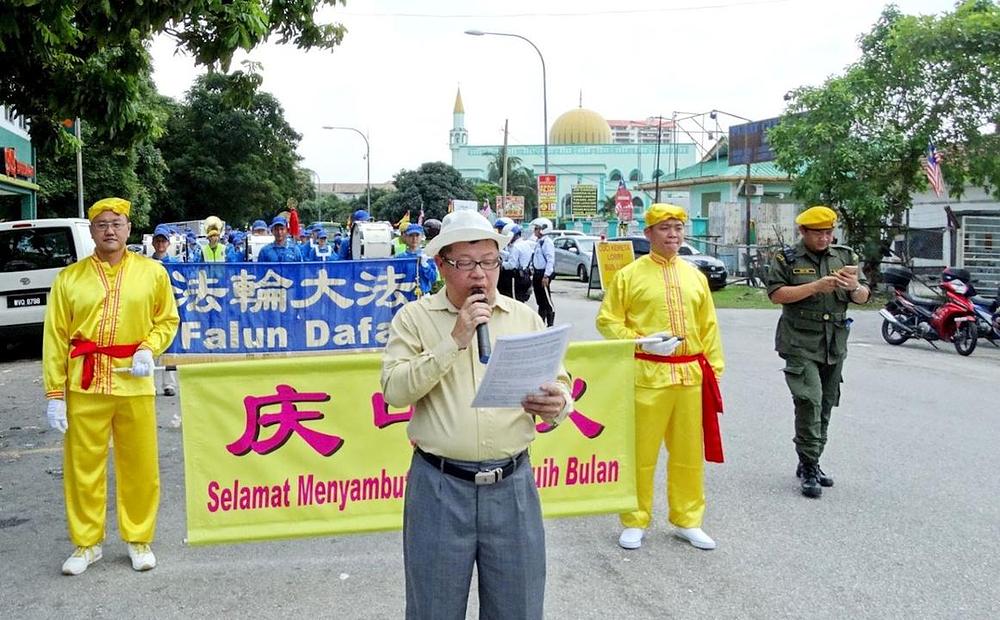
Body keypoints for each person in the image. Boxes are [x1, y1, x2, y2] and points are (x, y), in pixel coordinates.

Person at [381, 210, 573, 620]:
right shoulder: (414, 319)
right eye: (464, 264)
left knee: (518, 607)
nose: (479, 275)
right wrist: (455, 340)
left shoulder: (523, 317)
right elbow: (395, 390)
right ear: (441, 265)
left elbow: (560, 380)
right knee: (433, 608)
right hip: (439, 486)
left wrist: (558, 402)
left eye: (488, 262)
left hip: (513, 484)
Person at [42, 197, 180, 575]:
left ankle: (139, 538)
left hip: (133, 382)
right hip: (84, 384)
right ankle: (86, 544)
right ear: (91, 231)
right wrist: (55, 393)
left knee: (139, 465)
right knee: (82, 466)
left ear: (128, 229)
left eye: (116, 223)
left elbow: (168, 320)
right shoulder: (69, 278)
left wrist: (148, 349)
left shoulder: (152, 273)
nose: (109, 230)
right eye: (101, 224)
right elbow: (55, 337)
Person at [596, 203, 725, 552]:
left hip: (689, 376)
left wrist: (713, 367)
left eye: (678, 228)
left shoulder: (695, 276)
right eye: (665, 228)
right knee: (642, 451)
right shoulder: (629, 276)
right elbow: (608, 321)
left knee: (687, 452)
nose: (673, 234)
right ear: (649, 233)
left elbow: (709, 326)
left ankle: (688, 519)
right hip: (647, 373)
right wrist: (642, 342)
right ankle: (635, 518)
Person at [766, 205, 869, 498]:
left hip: (834, 342)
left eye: (828, 232)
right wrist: (815, 287)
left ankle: (811, 459)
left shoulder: (845, 256)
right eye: (818, 233)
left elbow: (863, 297)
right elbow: (776, 295)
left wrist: (855, 287)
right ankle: (810, 465)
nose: (824, 238)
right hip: (800, 340)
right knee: (808, 399)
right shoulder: (787, 258)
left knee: (825, 402)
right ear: (803, 232)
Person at [149, 225, 180, 397]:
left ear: (168, 243)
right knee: (151, 346)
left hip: (171, 309)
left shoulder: (175, 264)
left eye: (163, 240)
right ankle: (149, 383)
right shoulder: (146, 263)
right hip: (151, 310)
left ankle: (169, 384)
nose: (161, 244)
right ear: (153, 243)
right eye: (158, 240)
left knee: (170, 347)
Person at [530, 217, 556, 326]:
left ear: (543, 229)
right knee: (540, 301)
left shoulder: (547, 242)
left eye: (537, 228)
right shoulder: (539, 242)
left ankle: (550, 324)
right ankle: (541, 323)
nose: (534, 231)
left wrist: (546, 276)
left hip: (543, 274)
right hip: (537, 273)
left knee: (546, 300)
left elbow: (550, 259)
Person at [399, 223, 437, 296]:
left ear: (422, 237)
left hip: (423, 297)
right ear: (405, 237)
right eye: (411, 235)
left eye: (417, 235)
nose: (414, 239)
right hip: (404, 297)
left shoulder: (428, 256)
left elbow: (433, 278)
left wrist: (425, 266)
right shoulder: (400, 258)